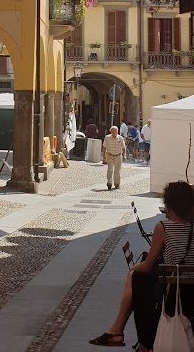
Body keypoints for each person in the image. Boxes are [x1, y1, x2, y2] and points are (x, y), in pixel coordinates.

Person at [89, 181, 194, 351]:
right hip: (191, 293)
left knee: (136, 279)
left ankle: (135, 340)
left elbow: (147, 266)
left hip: (172, 295)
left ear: (169, 205)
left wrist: (134, 268)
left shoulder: (163, 227)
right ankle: (122, 333)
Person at [103, 125, 126, 190]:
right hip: (110, 155)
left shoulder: (120, 138)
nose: (114, 133)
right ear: (111, 132)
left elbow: (123, 147)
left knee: (117, 170)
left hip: (118, 155)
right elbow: (104, 146)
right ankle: (109, 183)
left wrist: (124, 155)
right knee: (110, 169)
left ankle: (117, 183)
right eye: (113, 132)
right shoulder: (107, 138)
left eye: (115, 132)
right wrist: (104, 156)